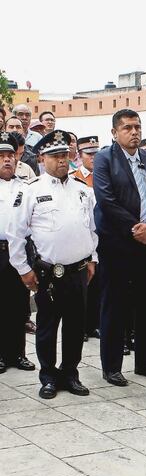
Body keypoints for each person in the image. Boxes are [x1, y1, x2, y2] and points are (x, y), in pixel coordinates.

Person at [8, 130, 99, 399]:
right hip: (49, 272)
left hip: (79, 271)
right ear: (42, 158)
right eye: (55, 156)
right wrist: (23, 269)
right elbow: (16, 233)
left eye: (65, 155)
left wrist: (93, 259)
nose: (62, 161)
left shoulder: (84, 191)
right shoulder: (31, 191)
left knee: (75, 326)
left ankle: (70, 373)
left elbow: (92, 229)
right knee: (48, 326)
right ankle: (48, 376)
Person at [93, 109, 146, 386]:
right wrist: (135, 227)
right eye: (127, 128)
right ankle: (112, 366)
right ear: (114, 133)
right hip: (117, 243)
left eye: (137, 127)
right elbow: (106, 199)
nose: (134, 132)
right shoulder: (105, 158)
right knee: (114, 305)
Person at [0, 132, 36, 373]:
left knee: (18, 304)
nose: (6, 160)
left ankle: (18, 354)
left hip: (20, 251)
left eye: (10, 156)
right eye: (1, 156)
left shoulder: (26, 187)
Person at [72, 136, 101, 340]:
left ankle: (94, 324)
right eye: (89, 154)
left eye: (96, 153)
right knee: (82, 286)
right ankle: (80, 327)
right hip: (82, 237)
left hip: (102, 235)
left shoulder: (103, 176)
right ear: (80, 156)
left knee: (98, 283)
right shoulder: (74, 179)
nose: (93, 157)